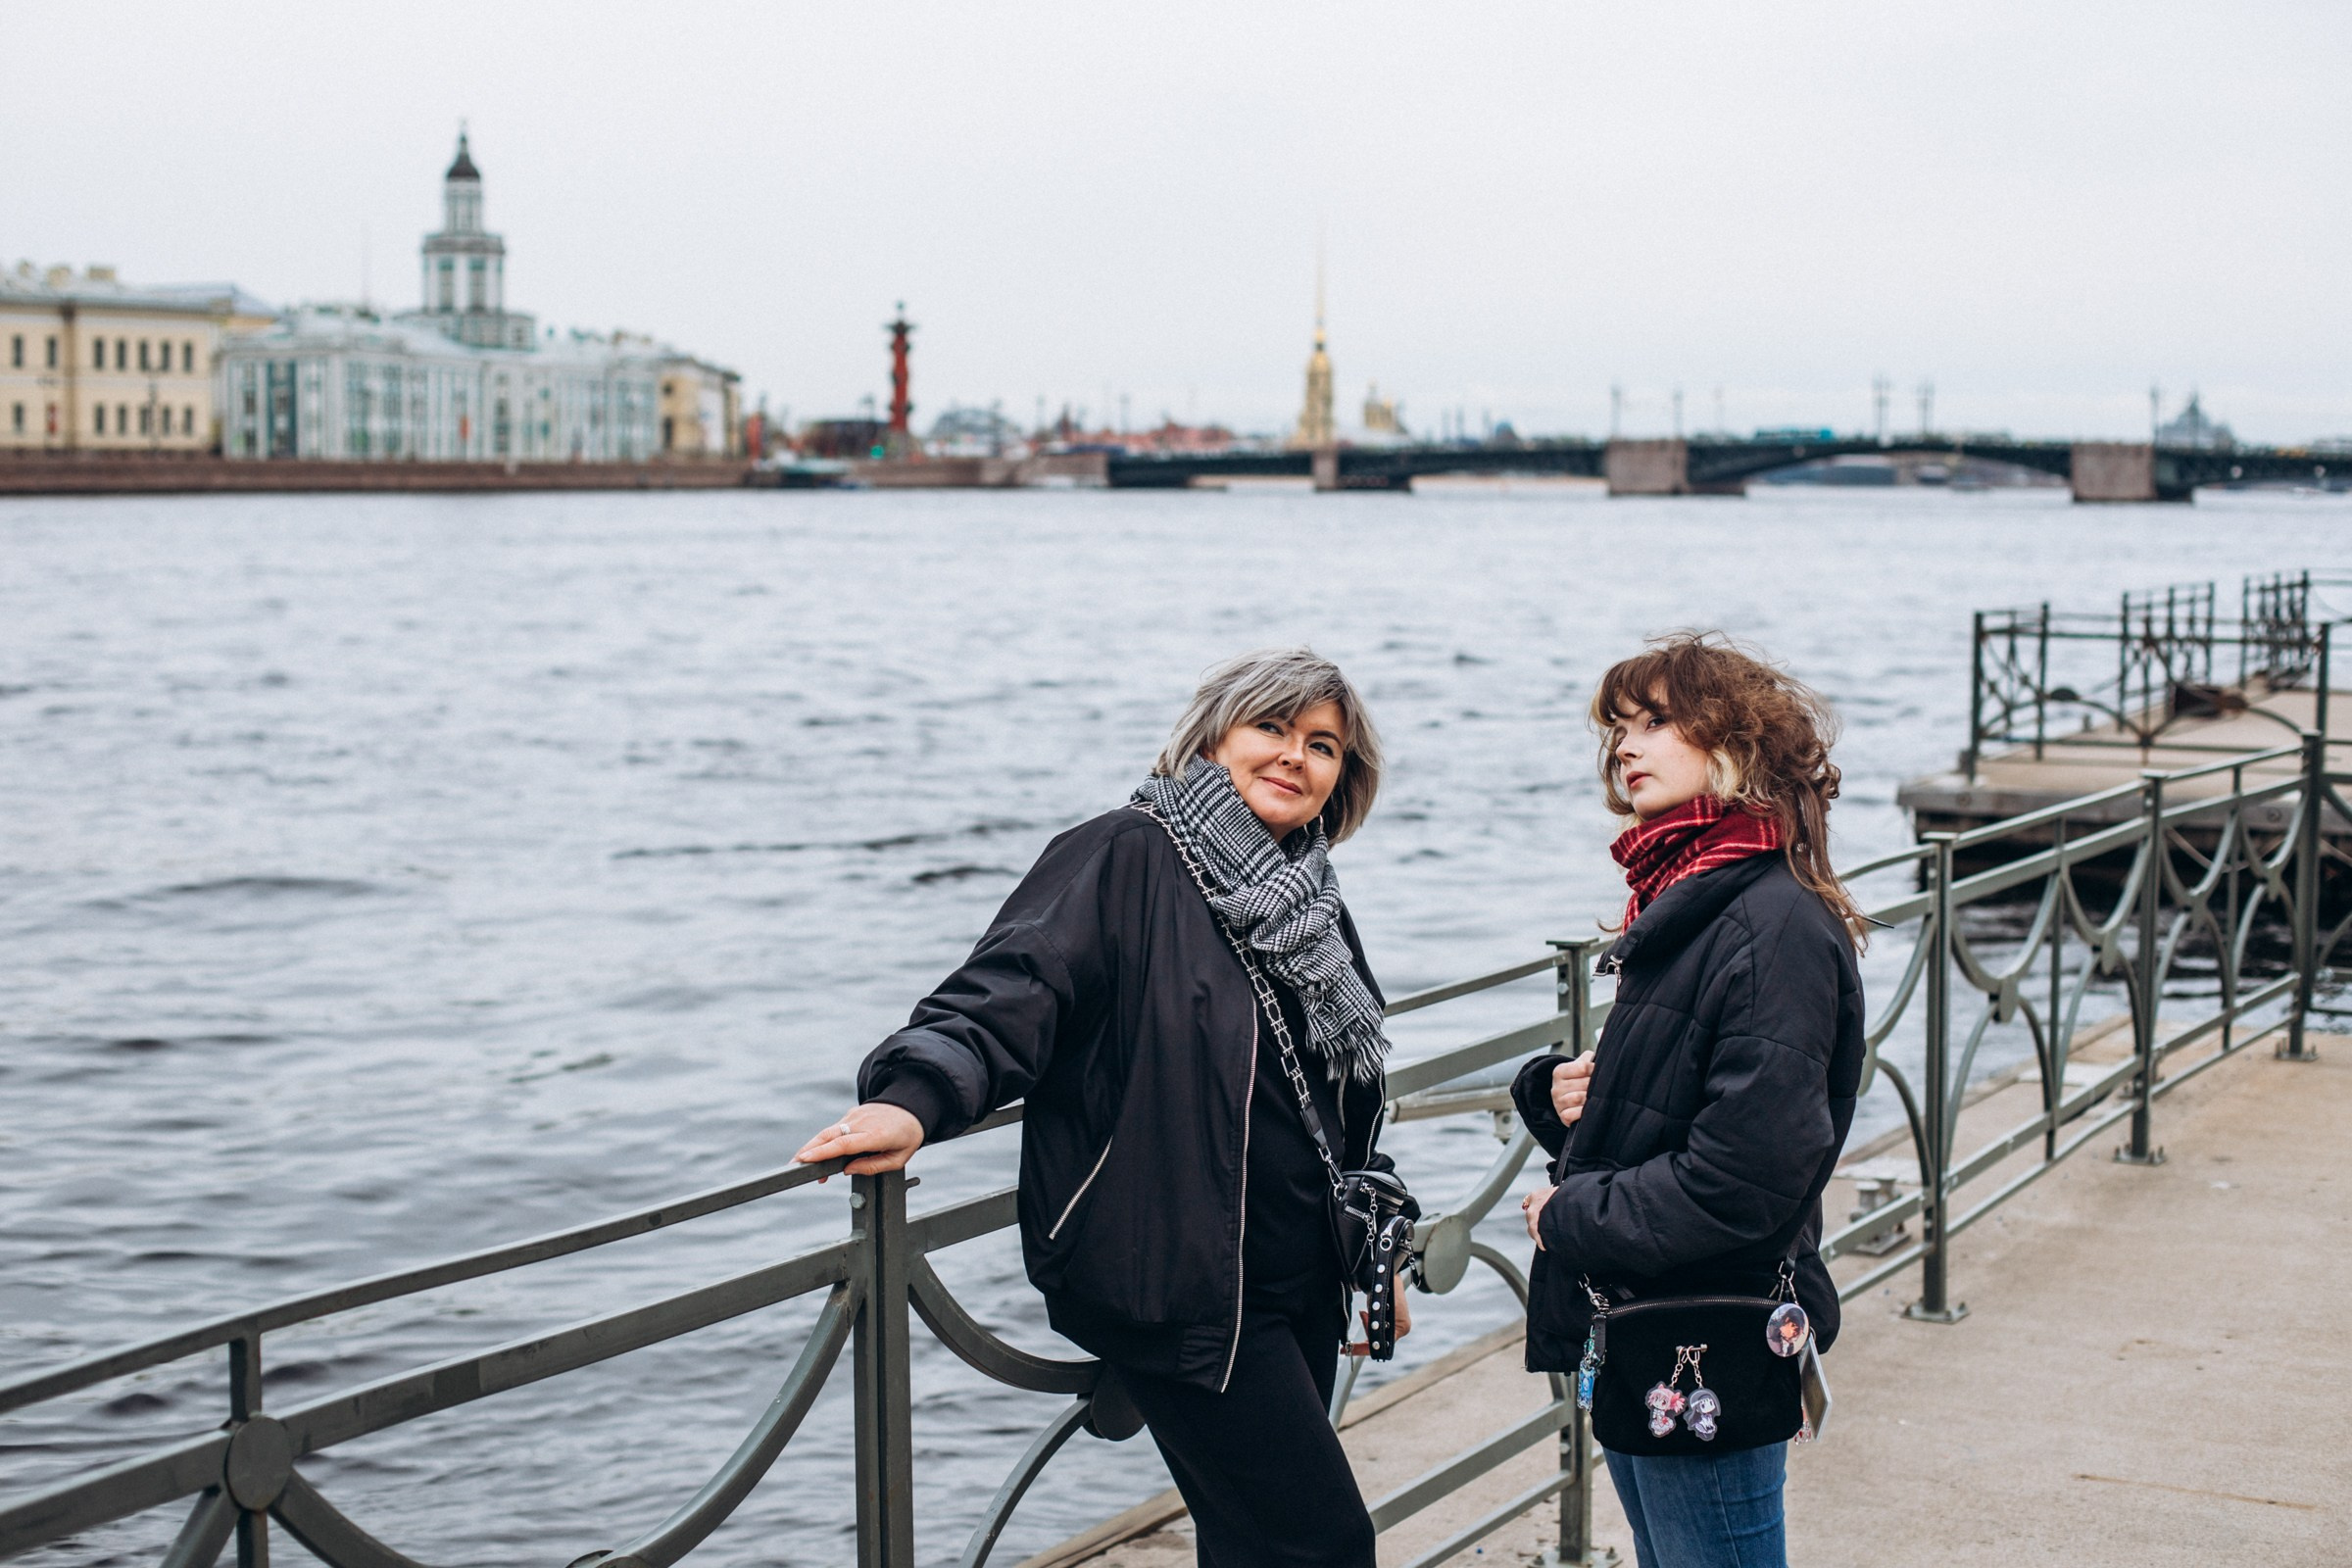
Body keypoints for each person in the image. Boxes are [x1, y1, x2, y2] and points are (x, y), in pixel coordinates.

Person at [795, 648, 1410, 1568]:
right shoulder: (1127, 853)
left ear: (1342, 778)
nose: (1296, 757)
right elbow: (1009, 993)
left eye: (1322, 745)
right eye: (1272, 728)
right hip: (1179, 1279)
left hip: (1298, 1278)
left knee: (1255, 1542)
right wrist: (915, 1102)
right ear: (1210, 740)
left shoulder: (1306, 896)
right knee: (1320, 1543)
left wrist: (1374, 1247)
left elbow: (1337, 1102)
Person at [1512, 632, 1866, 1568]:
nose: (1626, 746)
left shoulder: (1769, 922)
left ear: (1739, 744)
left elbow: (1743, 1177)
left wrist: (1571, 1214)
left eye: (1657, 722)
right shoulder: (1695, 896)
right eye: (1618, 727)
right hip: (1654, 1322)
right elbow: (1694, 1103)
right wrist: (1568, 1097)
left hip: (1705, 1329)